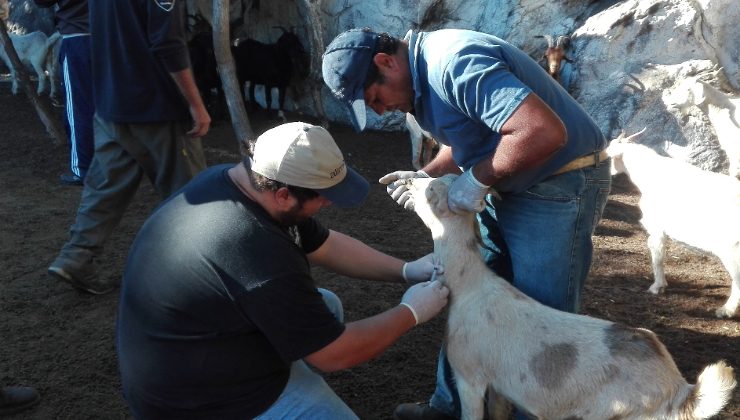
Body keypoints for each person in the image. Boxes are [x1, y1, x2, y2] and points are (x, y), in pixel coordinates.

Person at [322, 28, 611, 419]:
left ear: (385, 62)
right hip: (510, 178)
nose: (379, 110)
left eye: (375, 98)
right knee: (471, 297)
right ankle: (450, 408)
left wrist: (476, 180)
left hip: (557, 182)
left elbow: (541, 131)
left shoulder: (455, 63)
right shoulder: (422, 80)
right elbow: (468, 134)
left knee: (541, 317)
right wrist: (428, 174)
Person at [116, 121, 450, 418]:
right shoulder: (255, 250)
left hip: (192, 350)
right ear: (283, 194)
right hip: (198, 401)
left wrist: (405, 270)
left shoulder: (234, 183)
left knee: (327, 305)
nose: (330, 203)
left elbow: (325, 244)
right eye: (323, 196)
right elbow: (333, 354)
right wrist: (411, 312)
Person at [47, 0, 210, 295]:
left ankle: (75, 257)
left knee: (105, 189)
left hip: (112, 103)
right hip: (156, 106)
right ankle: (201, 274)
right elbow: (168, 44)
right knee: (191, 195)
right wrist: (196, 104)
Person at [33, 0, 95, 186]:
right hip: (113, 36)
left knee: (78, 109)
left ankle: (82, 168)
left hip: (78, 37)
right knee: (109, 103)